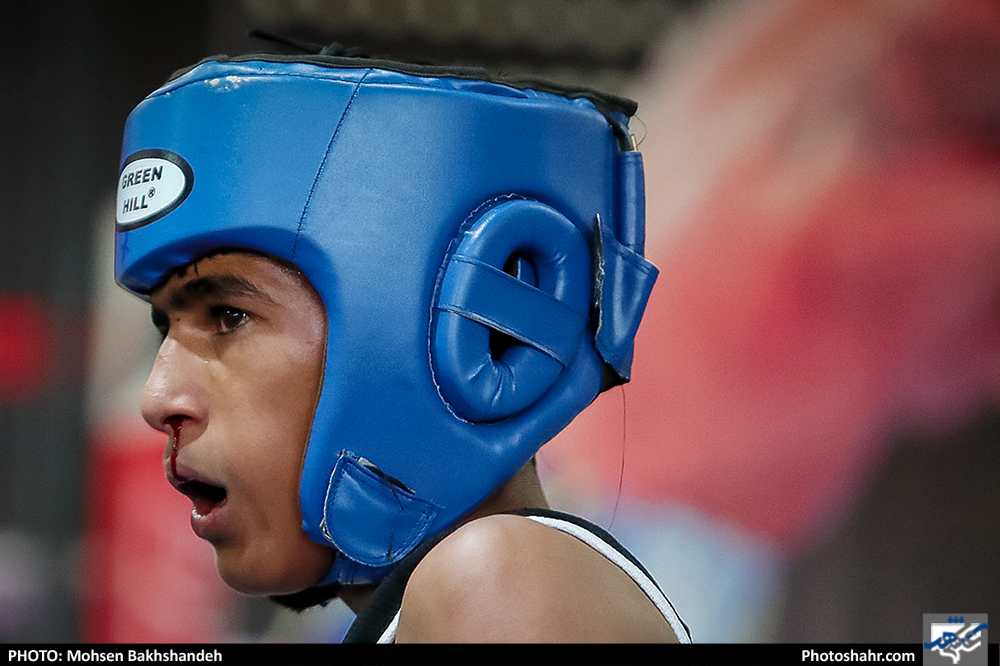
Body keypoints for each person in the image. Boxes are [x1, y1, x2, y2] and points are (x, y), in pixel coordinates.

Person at [114, 41, 690, 643]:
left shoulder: (496, 581)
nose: (157, 399)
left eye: (229, 315)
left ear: (477, 333)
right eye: (164, 327)